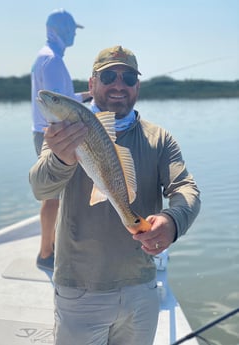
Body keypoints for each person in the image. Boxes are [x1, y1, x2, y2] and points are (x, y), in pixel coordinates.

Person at [29, 45, 201, 345]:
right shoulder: (65, 130)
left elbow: (186, 188)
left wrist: (173, 221)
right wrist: (61, 158)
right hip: (80, 290)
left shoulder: (159, 138)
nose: (119, 84)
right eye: (109, 76)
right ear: (92, 83)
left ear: (138, 85)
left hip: (141, 289)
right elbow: (41, 187)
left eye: (128, 77)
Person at [31, 9, 91, 271]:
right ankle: (46, 253)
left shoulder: (47, 57)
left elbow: (62, 99)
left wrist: (87, 95)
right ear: (63, 29)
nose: (74, 35)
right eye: (73, 30)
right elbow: (59, 109)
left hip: (50, 132)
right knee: (53, 197)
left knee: (54, 195)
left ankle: (51, 247)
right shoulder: (53, 60)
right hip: (54, 135)